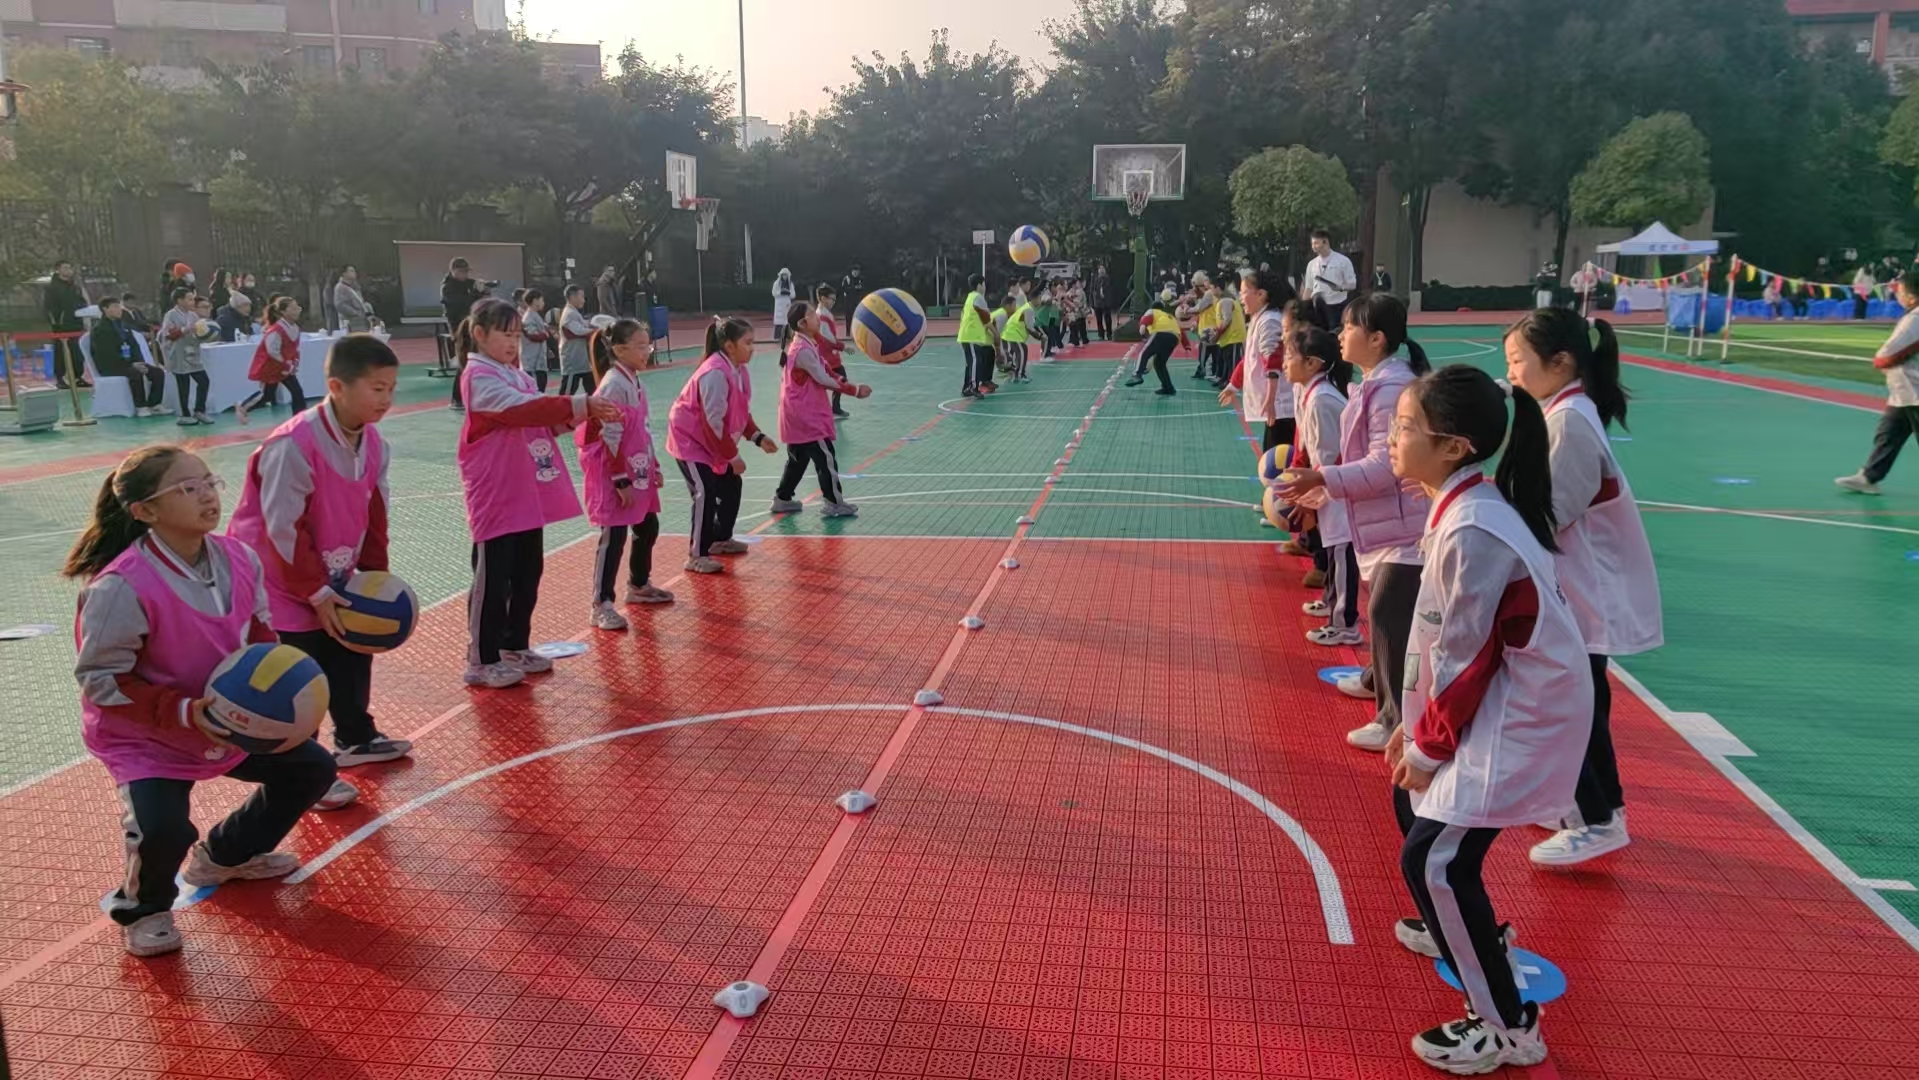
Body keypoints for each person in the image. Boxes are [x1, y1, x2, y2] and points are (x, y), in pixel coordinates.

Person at [1384, 364, 1589, 1076]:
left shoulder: (1472, 528)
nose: (1391, 437)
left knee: (1434, 858)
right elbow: (1447, 644)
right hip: (1506, 692)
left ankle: (1508, 1028)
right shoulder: (1462, 505)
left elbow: (1466, 658)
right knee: (1411, 803)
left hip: (1524, 710)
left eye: (1404, 426)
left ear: (1453, 446)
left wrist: (1430, 744)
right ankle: (1465, 930)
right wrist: (1415, 727)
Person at [65, 446, 343, 957]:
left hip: (226, 718)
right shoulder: (120, 587)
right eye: (187, 489)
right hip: (147, 736)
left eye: (208, 482)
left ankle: (225, 855)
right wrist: (185, 712)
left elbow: (259, 633)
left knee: (312, 768)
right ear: (145, 510)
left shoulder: (239, 558)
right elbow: (101, 680)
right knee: (163, 829)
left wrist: (280, 691)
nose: (207, 496)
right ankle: (144, 909)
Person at [1504, 308, 1662, 867]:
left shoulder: (1569, 423)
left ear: (1562, 362)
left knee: (1570, 705)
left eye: (1518, 361)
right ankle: (1586, 807)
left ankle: (1597, 818)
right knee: (1579, 701)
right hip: (1579, 590)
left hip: (1583, 593)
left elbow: (1548, 515)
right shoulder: (1565, 412)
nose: (1511, 373)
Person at [228, 334, 413, 784]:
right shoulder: (292, 444)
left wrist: (374, 577)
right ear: (336, 386)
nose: (386, 399)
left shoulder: (374, 444)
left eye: (391, 388)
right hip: (278, 578)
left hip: (333, 570)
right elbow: (283, 529)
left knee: (353, 649)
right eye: (377, 388)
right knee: (297, 672)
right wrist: (314, 589)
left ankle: (355, 736)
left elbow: (375, 513)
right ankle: (302, 770)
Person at [1275, 294, 1433, 752]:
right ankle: (1376, 682)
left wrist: (1323, 478)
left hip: (1405, 526)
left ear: (1377, 338)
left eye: (1349, 327)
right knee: (1388, 614)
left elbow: (1385, 466)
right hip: (1386, 521)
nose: (1341, 334)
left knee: (1389, 616)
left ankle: (1395, 721)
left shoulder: (1391, 391)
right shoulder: (1374, 384)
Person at [455, 298, 615, 688]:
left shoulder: (516, 374)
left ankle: (514, 644)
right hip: (496, 492)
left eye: (516, 335)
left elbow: (540, 423)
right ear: (479, 334)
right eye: (505, 335)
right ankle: (482, 658)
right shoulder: (479, 376)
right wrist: (579, 403)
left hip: (526, 490)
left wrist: (582, 416)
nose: (513, 343)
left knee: (527, 572)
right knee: (493, 578)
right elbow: (521, 411)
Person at [578, 318, 674, 632]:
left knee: (647, 525)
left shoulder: (634, 380)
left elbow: (642, 429)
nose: (647, 351)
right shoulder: (614, 385)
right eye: (641, 346)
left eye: (649, 345)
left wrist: (653, 465)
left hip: (636, 465)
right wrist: (620, 480)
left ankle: (639, 584)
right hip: (613, 470)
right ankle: (601, 604)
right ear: (619, 350)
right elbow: (610, 436)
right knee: (614, 535)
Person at [666, 316, 778, 574]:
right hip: (689, 441)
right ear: (729, 346)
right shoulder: (715, 373)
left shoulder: (739, 370)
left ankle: (719, 539)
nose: (753, 348)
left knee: (731, 485)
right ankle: (696, 555)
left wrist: (757, 437)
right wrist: (731, 457)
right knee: (704, 492)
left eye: (753, 342)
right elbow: (712, 422)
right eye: (747, 342)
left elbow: (740, 411)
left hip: (710, 441)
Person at [1283, 326, 1359, 647]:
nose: (1284, 362)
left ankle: (1345, 625)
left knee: (1342, 551)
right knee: (1333, 548)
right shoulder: (1312, 393)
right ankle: (1331, 602)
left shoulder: (1322, 400)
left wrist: (1309, 498)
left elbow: (1330, 459)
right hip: (1329, 484)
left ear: (1312, 363)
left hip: (1338, 488)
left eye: (1290, 356)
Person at [771, 301, 871, 520]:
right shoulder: (802, 350)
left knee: (798, 460)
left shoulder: (807, 344)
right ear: (802, 323)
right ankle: (834, 503)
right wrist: (854, 390)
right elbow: (823, 378)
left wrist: (845, 382)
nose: (817, 318)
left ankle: (782, 498)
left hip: (795, 414)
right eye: (812, 315)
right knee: (826, 458)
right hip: (806, 417)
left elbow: (826, 369)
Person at [1837, 268, 1919, 494]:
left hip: (1915, 391)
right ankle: (1869, 477)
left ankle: (1869, 477)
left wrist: (1881, 361)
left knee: (1889, 434)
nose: (1897, 294)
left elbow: (1887, 355)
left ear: (1911, 295)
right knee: (1888, 435)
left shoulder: (1915, 319)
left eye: (1900, 290)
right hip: (1904, 391)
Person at [1220, 268, 1299, 453]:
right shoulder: (1260, 318)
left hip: (1280, 406)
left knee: (1278, 459)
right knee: (1274, 456)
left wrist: (1271, 400)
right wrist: (1233, 385)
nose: (1240, 298)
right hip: (1276, 407)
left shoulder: (1269, 321)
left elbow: (1273, 362)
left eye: (1243, 292)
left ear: (1261, 294)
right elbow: (1250, 359)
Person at [91, 297, 166, 416]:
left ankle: (155, 404)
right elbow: (106, 354)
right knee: (135, 373)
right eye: (115, 307)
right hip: (112, 366)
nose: (119, 309)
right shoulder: (100, 330)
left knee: (158, 372)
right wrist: (130, 364)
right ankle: (140, 406)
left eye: (119, 306)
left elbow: (135, 347)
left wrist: (140, 362)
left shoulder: (124, 327)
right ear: (105, 309)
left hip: (131, 362)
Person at [240, 296, 308, 421]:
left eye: (297, 308)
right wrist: (286, 363)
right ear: (283, 312)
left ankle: (299, 420)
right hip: (272, 367)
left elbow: (294, 348)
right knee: (267, 396)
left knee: (297, 391)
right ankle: (243, 407)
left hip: (284, 367)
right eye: (293, 308)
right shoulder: (276, 330)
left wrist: (295, 361)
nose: (297, 310)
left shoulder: (295, 328)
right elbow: (272, 351)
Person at [159, 288, 216, 426]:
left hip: (192, 354)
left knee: (204, 381)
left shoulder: (193, 315)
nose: (192, 302)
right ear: (179, 300)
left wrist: (205, 334)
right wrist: (185, 329)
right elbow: (168, 334)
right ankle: (185, 414)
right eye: (189, 299)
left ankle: (199, 410)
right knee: (183, 385)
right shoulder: (171, 315)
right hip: (178, 355)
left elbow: (197, 333)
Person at [441, 258, 490, 410]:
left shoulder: (469, 283)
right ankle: (457, 399)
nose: (465, 275)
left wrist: (484, 289)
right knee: (464, 362)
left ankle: (474, 395)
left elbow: (481, 300)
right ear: (453, 270)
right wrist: (476, 293)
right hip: (459, 329)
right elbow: (462, 304)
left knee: (478, 361)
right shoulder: (447, 287)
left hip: (472, 326)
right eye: (462, 271)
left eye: (467, 271)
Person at [1127, 289, 1181, 395]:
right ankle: (1168, 387)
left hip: (1161, 333)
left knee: (1144, 353)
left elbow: (1142, 328)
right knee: (1159, 363)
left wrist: (1144, 336)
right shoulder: (1169, 316)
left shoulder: (1152, 311)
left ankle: (1137, 375)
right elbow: (1180, 332)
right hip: (1174, 338)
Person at [957, 273, 1000, 399]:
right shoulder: (978, 297)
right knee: (975, 361)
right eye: (984, 284)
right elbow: (986, 319)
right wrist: (996, 334)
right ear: (980, 285)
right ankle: (973, 387)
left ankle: (967, 387)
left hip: (969, 335)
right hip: (971, 336)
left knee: (973, 362)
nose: (985, 287)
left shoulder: (970, 297)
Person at [1304, 229, 1357, 330]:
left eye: (1316, 243)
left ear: (1325, 242)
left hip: (1336, 305)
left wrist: (1340, 288)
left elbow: (1352, 284)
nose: (1313, 246)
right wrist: (1303, 307)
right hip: (1317, 306)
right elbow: (1308, 288)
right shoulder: (1311, 264)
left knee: (1333, 332)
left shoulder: (1343, 261)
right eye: (1312, 244)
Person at [815, 284, 851, 419]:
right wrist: (843, 347)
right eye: (831, 299)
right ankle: (829, 410)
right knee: (838, 380)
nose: (833, 302)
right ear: (823, 298)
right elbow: (827, 339)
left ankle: (832, 409)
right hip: (826, 356)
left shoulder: (823, 313)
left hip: (829, 355)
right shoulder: (822, 315)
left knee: (834, 381)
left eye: (834, 299)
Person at [557, 285, 594, 395]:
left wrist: (592, 324)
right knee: (567, 392)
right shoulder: (569, 313)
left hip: (581, 359)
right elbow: (578, 331)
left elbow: (583, 326)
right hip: (572, 360)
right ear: (572, 297)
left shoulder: (574, 312)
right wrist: (595, 330)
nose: (584, 300)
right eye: (581, 297)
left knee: (592, 388)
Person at [1210, 276, 1246, 387]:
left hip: (1234, 336)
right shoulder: (1222, 301)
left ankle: (1232, 383)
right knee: (1226, 360)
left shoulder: (1226, 300)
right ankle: (1225, 379)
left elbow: (1227, 319)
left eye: (1211, 288)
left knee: (1232, 362)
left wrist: (1217, 333)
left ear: (1217, 288)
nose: (1210, 291)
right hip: (1227, 337)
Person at [518, 289, 553, 393]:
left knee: (540, 387)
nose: (543, 303)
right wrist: (545, 335)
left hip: (537, 361)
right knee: (535, 390)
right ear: (535, 301)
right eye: (542, 300)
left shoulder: (534, 315)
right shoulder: (529, 316)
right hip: (531, 362)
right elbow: (532, 335)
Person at [1000, 293, 1034, 383]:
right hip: (1010, 336)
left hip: (1010, 336)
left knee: (1016, 353)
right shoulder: (1001, 314)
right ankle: (1019, 375)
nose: (1016, 307)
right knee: (1021, 351)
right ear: (1008, 306)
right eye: (1014, 305)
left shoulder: (1018, 310)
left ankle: (1014, 373)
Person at [333, 266, 371, 332]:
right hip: (349, 321)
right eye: (351, 271)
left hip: (361, 320)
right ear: (344, 274)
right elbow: (340, 305)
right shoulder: (340, 287)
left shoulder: (355, 287)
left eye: (354, 271)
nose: (354, 273)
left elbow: (360, 301)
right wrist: (355, 313)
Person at [771, 269, 796, 351]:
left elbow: (793, 295)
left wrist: (788, 293)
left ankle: (788, 336)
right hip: (779, 304)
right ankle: (778, 337)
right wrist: (780, 292)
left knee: (787, 320)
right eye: (783, 275)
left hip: (786, 303)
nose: (784, 276)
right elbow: (774, 293)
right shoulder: (776, 283)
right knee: (779, 321)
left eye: (786, 275)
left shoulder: (790, 284)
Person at [1091, 264, 1115, 341]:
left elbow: (1109, 290)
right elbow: (1092, 290)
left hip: (1105, 303)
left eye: (1102, 268)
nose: (1101, 270)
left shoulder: (1107, 279)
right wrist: (1092, 303)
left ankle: (1109, 334)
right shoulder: (1095, 279)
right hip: (1098, 303)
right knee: (1099, 320)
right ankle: (1101, 335)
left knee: (1107, 320)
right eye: (1100, 268)